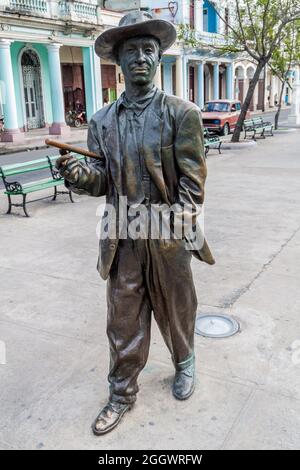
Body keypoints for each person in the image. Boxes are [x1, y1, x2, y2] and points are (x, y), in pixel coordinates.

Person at [56, 10, 215, 436]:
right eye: (132, 52)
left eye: (149, 51)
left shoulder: (182, 114)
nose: (141, 58)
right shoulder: (101, 121)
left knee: (177, 308)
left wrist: (179, 228)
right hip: (122, 234)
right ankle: (121, 393)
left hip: (166, 233)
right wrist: (79, 175)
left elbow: (192, 183)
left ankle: (185, 363)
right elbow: (102, 181)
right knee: (122, 318)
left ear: (158, 59)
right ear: (119, 63)